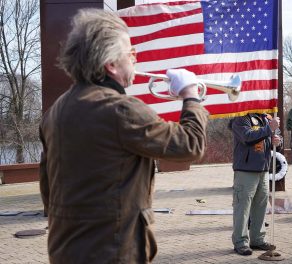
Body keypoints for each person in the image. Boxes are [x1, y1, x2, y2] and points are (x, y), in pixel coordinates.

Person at [39, 9, 209, 263]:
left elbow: (48, 190)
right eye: (130, 54)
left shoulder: (55, 112)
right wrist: (191, 96)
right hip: (113, 252)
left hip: (65, 249)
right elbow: (190, 145)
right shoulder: (121, 110)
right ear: (111, 64)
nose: (135, 60)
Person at [230, 113, 281, 256]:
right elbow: (247, 137)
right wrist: (268, 129)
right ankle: (240, 242)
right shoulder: (240, 118)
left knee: (261, 206)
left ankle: (257, 239)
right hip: (245, 170)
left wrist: (277, 141)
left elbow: (271, 138)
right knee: (243, 207)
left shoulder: (266, 117)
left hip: (263, 170)